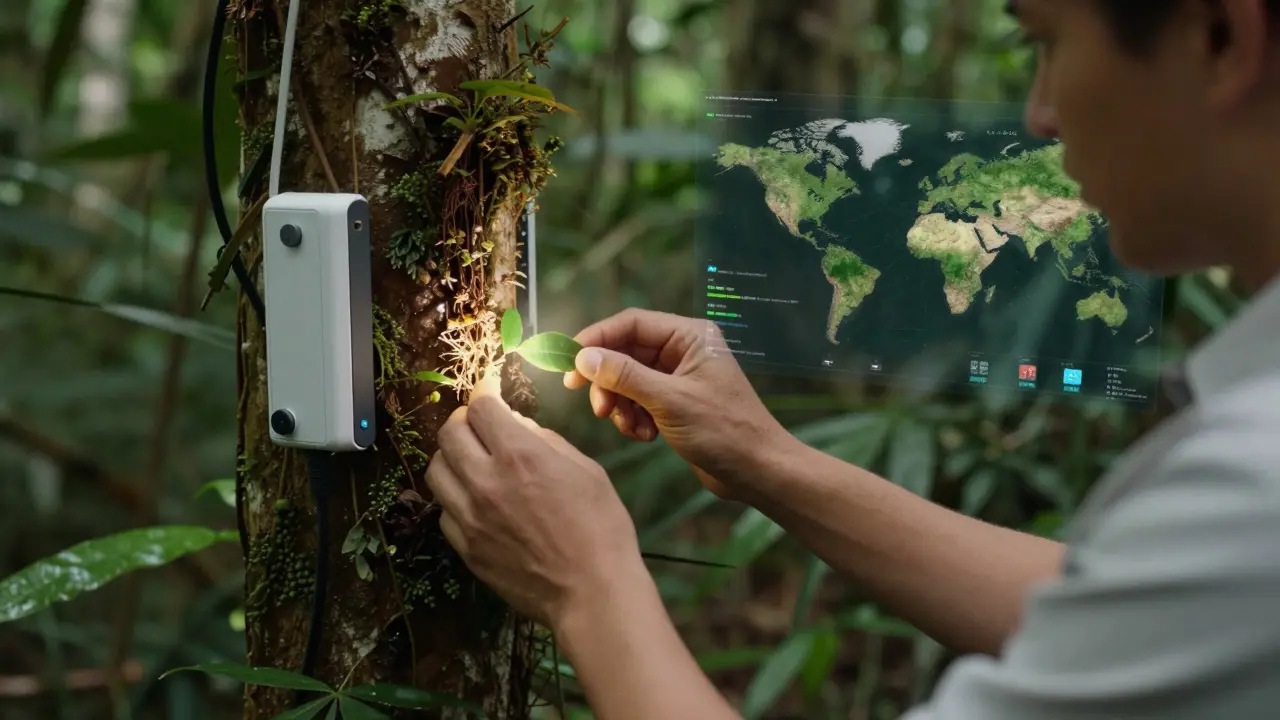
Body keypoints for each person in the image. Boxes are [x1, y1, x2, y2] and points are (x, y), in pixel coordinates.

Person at [425, 0, 1280, 716]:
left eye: (1046, 42)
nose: (1040, 114)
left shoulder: (1251, 494)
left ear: (1221, 37)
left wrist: (587, 585)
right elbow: (1114, 612)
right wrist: (762, 459)